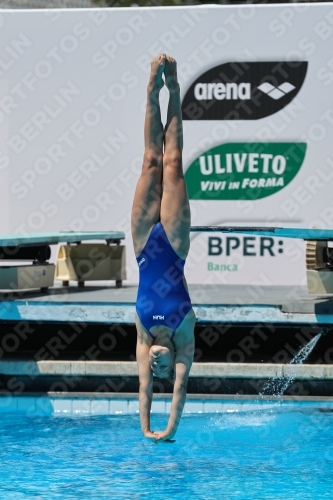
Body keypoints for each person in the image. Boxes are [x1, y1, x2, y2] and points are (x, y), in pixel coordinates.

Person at [131, 54, 196, 442]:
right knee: (172, 162)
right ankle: (173, 86)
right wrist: (168, 430)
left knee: (149, 162)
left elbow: (142, 391)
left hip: (142, 246)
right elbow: (180, 391)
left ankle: (151, 90)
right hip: (173, 245)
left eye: (151, 369)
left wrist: (145, 429)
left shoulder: (143, 339)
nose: (154, 367)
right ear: (173, 365)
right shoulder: (184, 337)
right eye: (162, 371)